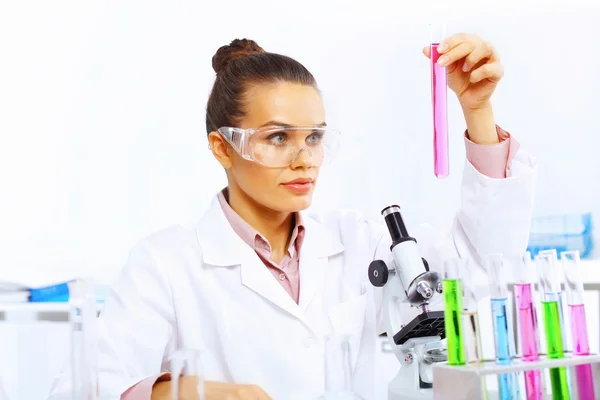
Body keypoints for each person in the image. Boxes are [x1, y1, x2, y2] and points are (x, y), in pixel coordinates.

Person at [50, 35, 535, 400]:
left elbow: (483, 263)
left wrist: (478, 110)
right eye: (278, 137)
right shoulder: (166, 264)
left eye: (315, 137)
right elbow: (91, 386)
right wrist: (187, 391)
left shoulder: (356, 242)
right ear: (222, 147)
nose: (305, 158)